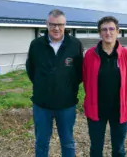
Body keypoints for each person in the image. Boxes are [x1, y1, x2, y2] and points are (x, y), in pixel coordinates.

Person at [26, 9, 84, 157]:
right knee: (41, 143)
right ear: (46, 24)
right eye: (52, 24)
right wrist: (43, 85)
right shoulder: (36, 45)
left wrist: (67, 88)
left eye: (60, 24)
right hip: (42, 105)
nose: (56, 28)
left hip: (66, 105)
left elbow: (79, 73)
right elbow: (31, 70)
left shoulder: (75, 45)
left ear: (65, 25)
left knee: (68, 142)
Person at [82, 16, 127, 157]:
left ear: (117, 31)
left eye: (112, 29)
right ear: (100, 33)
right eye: (104, 29)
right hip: (96, 110)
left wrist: (124, 96)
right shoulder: (90, 55)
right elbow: (85, 79)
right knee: (96, 149)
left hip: (120, 110)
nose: (108, 32)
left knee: (118, 149)